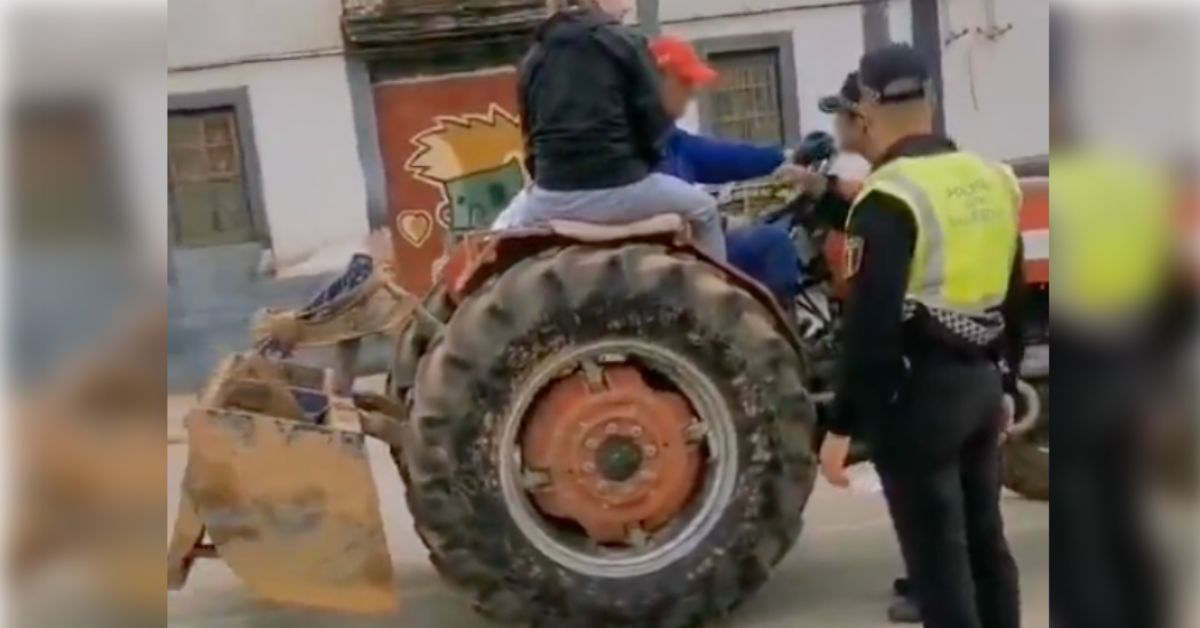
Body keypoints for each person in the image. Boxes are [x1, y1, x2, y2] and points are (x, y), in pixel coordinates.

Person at [817, 44, 1023, 628]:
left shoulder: (888, 199)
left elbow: (871, 328)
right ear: (928, 101)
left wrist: (842, 424)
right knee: (986, 547)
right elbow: (1009, 300)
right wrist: (1005, 382)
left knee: (937, 566)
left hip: (920, 399)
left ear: (866, 115)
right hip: (982, 384)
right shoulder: (992, 179)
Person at [501, 0, 726, 260]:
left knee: (502, 234)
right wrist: (640, 166)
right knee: (705, 210)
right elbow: (653, 122)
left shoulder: (533, 58)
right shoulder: (626, 43)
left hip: (550, 198)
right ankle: (718, 286)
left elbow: (528, 137)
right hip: (622, 188)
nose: (629, 6)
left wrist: (548, 183)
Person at [650, 35, 802, 306]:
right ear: (656, 82)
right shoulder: (651, 144)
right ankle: (781, 342)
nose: (693, 91)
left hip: (682, 247)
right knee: (774, 243)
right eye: (685, 81)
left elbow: (722, 156)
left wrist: (784, 157)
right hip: (678, 257)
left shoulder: (668, 139)